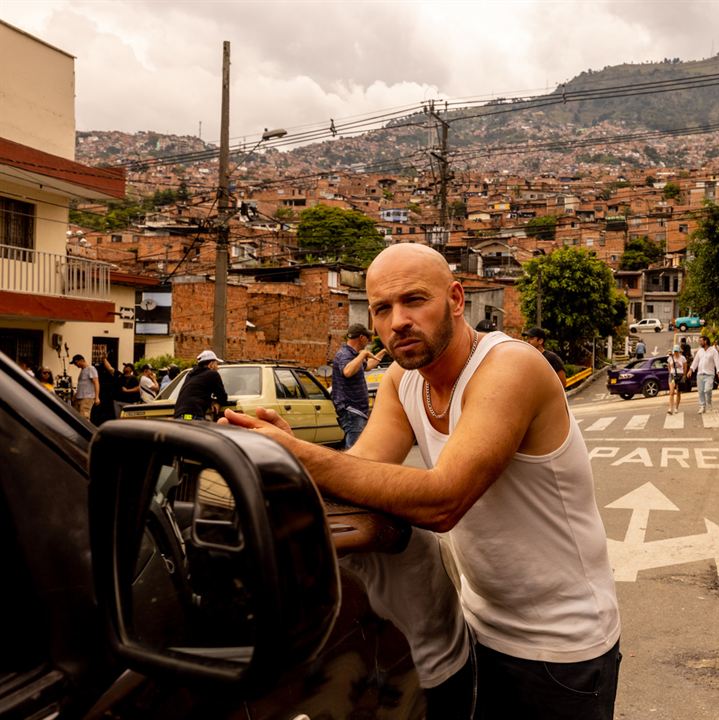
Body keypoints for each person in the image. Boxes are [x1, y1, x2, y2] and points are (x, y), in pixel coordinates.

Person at [223, 243, 621, 719]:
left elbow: (444, 502)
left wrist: (303, 456)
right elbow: (361, 471)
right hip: (479, 628)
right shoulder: (402, 381)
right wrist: (290, 454)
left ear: (455, 299)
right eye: (382, 309)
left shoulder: (509, 367)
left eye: (414, 300)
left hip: (562, 647)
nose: (398, 322)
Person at [331, 323, 387, 449]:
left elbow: (368, 366)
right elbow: (347, 371)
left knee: (355, 447)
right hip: (351, 409)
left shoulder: (353, 355)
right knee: (355, 450)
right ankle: (349, 469)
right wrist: (363, 354)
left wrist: (384, 351)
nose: (368, 342)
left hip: (357, 410)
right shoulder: (345, 354)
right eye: (368, 338)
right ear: (362, 337)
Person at [173, 350, 229, 421]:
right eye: (216, 364)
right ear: (211, 364)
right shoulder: (212, 374)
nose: (218, 367)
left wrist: (210, 401)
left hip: (180, 416)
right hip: (193, 416)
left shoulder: (190, 375)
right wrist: (217, 402)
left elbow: (196, 393)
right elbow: (222, 397)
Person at [687, 335, 719, 413]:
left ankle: (709, 403)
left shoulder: (713, 351)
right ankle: (702, 406)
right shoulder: (700, 351)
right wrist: (691, 370)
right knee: (701, 391)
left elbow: (717, 362)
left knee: (707, 390)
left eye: (701, 341)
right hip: (700, 375)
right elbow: (695, 362)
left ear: (705, 341)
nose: (699, 342)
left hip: (709, 374)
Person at [70, 354, 99, 420]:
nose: (75, 364)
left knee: (84, 418)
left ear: (82, 360)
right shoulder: (83, 370)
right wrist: (75, 395)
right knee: (76, 417)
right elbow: (82, 385)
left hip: (87, 398)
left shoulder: (91, 369)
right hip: (79, 397)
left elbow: (96, 382)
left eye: (76, 362)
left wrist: (97, 397)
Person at [667, 346, 685, 415]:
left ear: (679, 351)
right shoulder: (670, 358)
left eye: (677, 351)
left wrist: (684, 375)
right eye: (674, 351)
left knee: (678, 392)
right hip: (672, 376)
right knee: (671, 392)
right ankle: (670, 408)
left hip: (680, 375)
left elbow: (685, 366)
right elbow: (668, 366)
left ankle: (676, 408)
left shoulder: (682, 358)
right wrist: (670, 372)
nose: (675, 353)